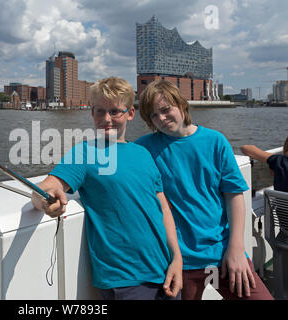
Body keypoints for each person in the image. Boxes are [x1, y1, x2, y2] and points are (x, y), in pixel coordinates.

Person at [31, 77, 183, 300]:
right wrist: (45, 200)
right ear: (92, 113)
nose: (106, 119)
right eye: (100, 111)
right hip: (125, 281)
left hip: (165, 272)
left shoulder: (143, 154)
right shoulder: (84, 152)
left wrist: (177, 259)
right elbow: (45, 188)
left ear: (130, 114)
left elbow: (163, 208)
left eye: (115, 111)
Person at [135, 79, 273, 300]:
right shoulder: (143, 149)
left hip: (223, 255)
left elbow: (234, 195)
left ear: (182, 105)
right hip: (177, 262)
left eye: (165, 109)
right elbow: (113, 165)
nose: (161, 118)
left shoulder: (215, 141)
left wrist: (236, 249)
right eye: (153, 115)